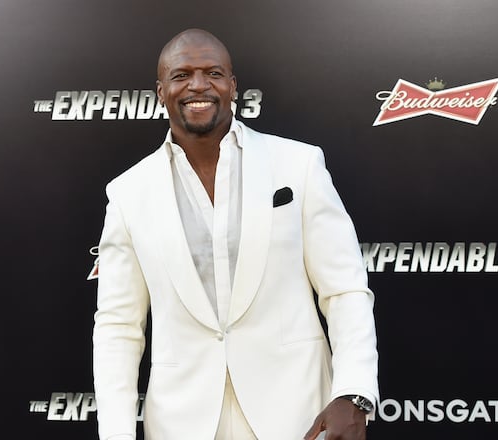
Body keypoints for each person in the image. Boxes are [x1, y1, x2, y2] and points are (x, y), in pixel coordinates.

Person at [92, 28, 378, 440]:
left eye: (213, 73)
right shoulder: (128, 193)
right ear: (160, 91)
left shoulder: (298, 165)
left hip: (299, 415)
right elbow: (118, 328)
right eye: (181, 75)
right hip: (182, 425)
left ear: (232, 86)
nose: (198, 85)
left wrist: (353, 392)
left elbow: (345, 290)